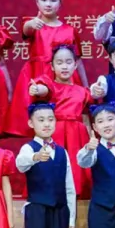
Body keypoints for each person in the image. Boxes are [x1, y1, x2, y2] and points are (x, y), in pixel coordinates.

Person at [4, 0, 87, 137]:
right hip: (37, 73)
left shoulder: (69, 30)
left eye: (53, 0)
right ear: (37, 2)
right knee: (37, 118)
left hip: (63, 78)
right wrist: (31, 23)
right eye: (44, 0)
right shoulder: (33, 24)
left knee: (62, 117)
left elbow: (78, 61)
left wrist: (85, 85)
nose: (48, 4)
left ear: (60, 2)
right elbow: (26, 30)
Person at [28, 45, 93, 197]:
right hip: (55, 133)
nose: (64, 66)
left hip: (78, 136)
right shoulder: (50, 86)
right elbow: (43, 89)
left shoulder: (83, 92)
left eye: (68, 62)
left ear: (75, 64)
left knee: (77, 171)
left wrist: (90, 139)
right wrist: (37, 89)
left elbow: (85, 118)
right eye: (59, 62)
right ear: (52, 66)